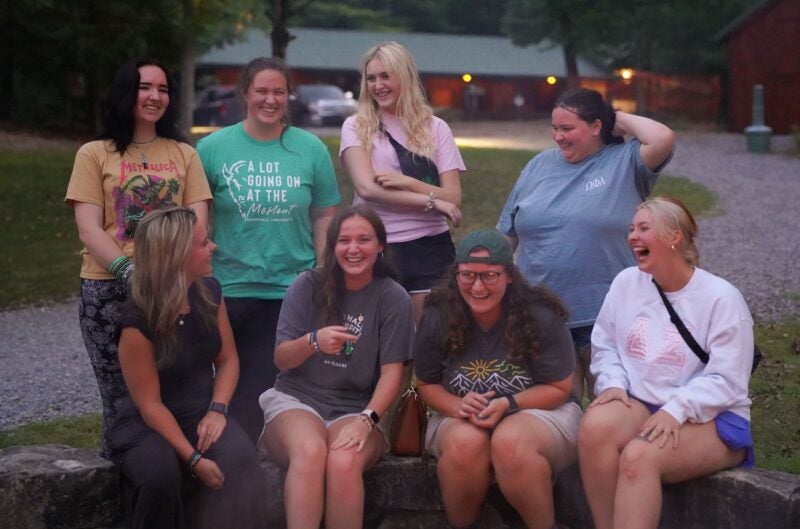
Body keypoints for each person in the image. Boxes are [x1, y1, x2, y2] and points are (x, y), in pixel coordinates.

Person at [578, 196, 755, 529]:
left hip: (713, 416)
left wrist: (677, 409)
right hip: (645, 403)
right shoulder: (626, 282)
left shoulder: (721, 298)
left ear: (675, 237)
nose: (632, 236)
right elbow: (604, 343)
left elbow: (729, 380)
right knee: (594, 428)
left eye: (644, 228)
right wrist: (613, 382)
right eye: (632, 228)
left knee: (638, 456)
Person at [65, 57, 212, 457]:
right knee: (119, 398)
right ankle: (121, 473)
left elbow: (197, 223)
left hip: (172, 288)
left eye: (163, 89)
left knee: (173, 391)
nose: (154, 96)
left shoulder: (184, 154)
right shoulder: (94, 154)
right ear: (126, 92)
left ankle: (180, 466)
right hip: (109, 288)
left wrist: (168, 274)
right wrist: (130, 272)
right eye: (145, 87)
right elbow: (89, 229)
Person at [497, 87, 676, 402]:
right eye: (554, 128)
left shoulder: (625, 161)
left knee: (610, 410)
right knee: (551, 411)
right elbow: (506, 234)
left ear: (596, 127)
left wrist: (615, 118)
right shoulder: (539, 164)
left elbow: (662, 137)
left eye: (567, 128)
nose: (558, 137)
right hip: (540, 314)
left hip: (606, 317)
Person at [196, 57, 340, 443]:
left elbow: (324, 214)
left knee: (283, 385)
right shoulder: (211, 148)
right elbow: (195, 217)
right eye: (261, 91)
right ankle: (237, 459)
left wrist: (322, 272)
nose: (270, 100)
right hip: (231, 285)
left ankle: (278, 454)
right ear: (245, 93)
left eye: (279, 92)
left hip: (291, 288)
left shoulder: (310, 148)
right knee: (234, 383)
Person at [108, 206, 268, 529]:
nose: (213, 247)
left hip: (200, 412)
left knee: (242, 460)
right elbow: (150, 405)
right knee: (160, 477)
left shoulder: (208, 293)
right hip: (147, 422)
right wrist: (194, 459)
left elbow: (228, 360)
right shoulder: (137, 322)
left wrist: (218, 410)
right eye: (204, 243)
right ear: (177, 255)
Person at [258, 206, 414, 529]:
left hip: (356, 408)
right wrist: (313, 341)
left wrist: (366, 420)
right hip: (297, 401)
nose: (353, 249)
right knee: (310, 449)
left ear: (380, 245)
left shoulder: (393, 297)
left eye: (363, 240)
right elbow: (281, 358)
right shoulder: (307, 285)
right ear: (332, 247)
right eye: (344, 241)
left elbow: (392, 375)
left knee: (344, 460)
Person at [415, 229, 581, 529]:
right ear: (456, 275)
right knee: (465, 443)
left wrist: (509, 403)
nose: (477, 286)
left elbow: (560, 388)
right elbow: (426, 384)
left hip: (543, 410)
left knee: (510, 441)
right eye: (467, 276)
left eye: (489, 276)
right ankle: (463, 525)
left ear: (509, 276)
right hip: (460, 415)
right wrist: (457, 406)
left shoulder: (540, 315)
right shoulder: (438, 315)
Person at [340, 41, 466, 321]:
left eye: (386, 76)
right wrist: (431, 201)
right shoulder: (356, 126)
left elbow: (453, 197)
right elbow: (366, 188)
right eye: (371, 78)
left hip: (430, 248)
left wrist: (409, 183)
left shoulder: (436, 128)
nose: (378, 85)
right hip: (377, 245)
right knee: (380, 339)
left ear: (405, 77)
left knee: (430, 337)